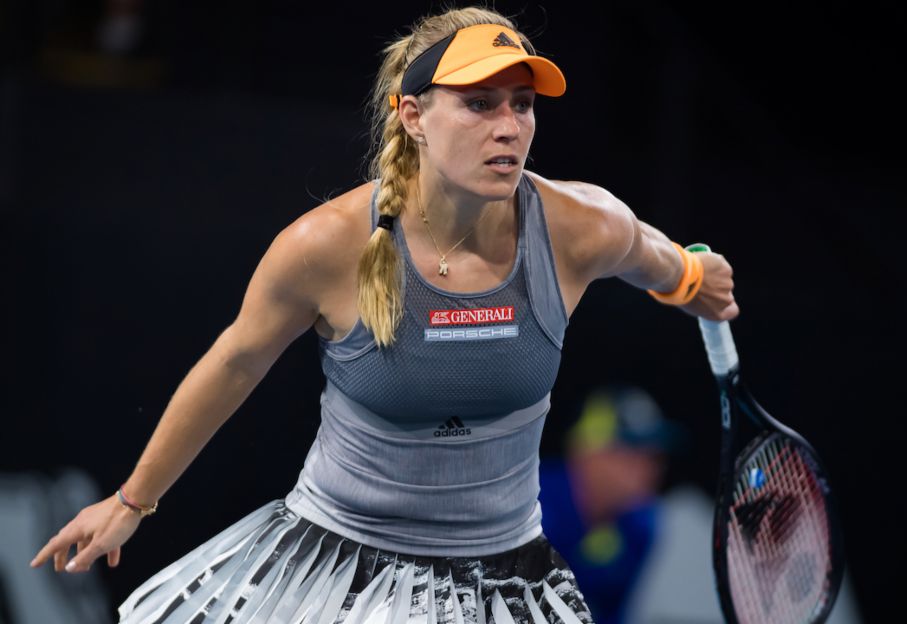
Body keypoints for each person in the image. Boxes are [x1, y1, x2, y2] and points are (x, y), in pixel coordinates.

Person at [28, 6, 738, 623]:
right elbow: (235, 363)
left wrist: (695, 279)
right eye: (480, 103)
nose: (509, 126)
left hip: (504, 579)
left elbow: (668, 261)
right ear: (413, 115)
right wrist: (132, 500)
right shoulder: (323, 246)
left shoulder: (582, 227)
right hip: (335, 572)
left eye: (521, 104)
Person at [538, 384, 685, 624]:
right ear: (589, 451)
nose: (649, 469)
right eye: (632, 451)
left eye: (655, 456)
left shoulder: (641, 525)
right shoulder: (528, 508)